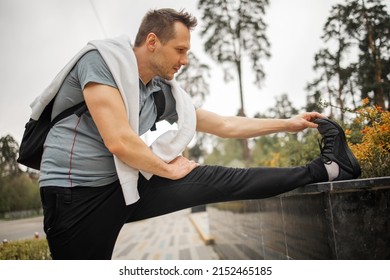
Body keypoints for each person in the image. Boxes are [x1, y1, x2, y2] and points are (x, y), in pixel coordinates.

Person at [37, 8, 361, 260]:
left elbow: (223, 125)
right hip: (72, 194)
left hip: (122, 184)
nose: (185, 61)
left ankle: (329, 168)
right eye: (180, 50)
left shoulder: (159, 93)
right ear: (152, 42)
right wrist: (166, 168)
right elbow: (119, 140)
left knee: (224, 179)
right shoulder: (101, 62)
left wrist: (288, 123)